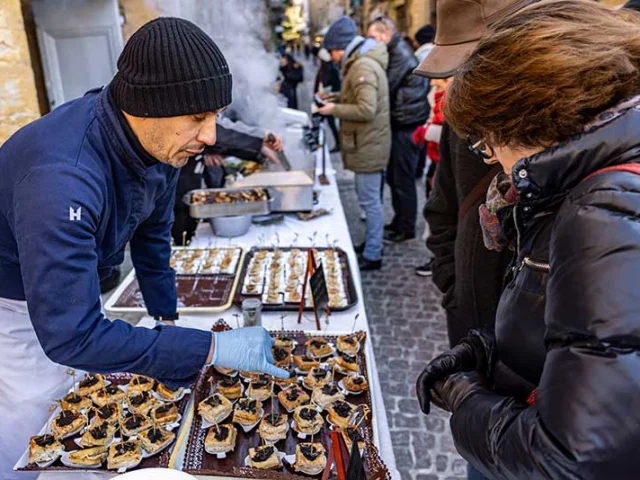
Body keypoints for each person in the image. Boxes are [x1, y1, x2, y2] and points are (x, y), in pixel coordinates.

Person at [0, 18, 287, 480]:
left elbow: (153, 235)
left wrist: (166, 318)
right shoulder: (61, 180)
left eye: (216, 116)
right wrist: (205, 348)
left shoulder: (158, 144)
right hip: (12, 298)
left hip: (72, 283)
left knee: (82, 383)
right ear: (152, 107)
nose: (212, 136)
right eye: (199, 117)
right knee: (39, 412)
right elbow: (71, 336)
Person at [418, 1, 640, 478]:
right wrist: (486, 349)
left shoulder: (604, 207)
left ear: (529, 119)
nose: (492, 157)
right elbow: (578, 337)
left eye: (486, 141)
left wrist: (468, 401)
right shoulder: (585, 186)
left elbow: (570, 457)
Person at [415, 0, 525, 345]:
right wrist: (455, 287)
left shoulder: (577, 121)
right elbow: (442, 208)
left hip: (540, 349)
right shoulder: (460, 112)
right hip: (470, 320)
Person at [317, 16, 391, 271]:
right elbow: (358, 97)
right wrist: (335, 96)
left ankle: (373, 254)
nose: (333, 58)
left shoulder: (362, 67)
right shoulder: (360, 63)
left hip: (369, 144)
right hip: (367, 142)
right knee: (368, 199)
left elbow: (366, 109)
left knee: (370, 202)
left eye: (333, 52)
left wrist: (332, 109)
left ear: (341, 48)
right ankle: (371, 244)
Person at [367, 17, 430, 244]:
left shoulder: (400, 53)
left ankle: (406, 227)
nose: (371, 43)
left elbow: (386, 86)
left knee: (403, 179)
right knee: (395, 177)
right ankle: (399, 220)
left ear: (384, 35)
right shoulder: (394, 50)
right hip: (401, 122)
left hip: (407, 125)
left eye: (373, 38)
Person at [412, 77, 450, 277]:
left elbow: (450, 135)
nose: (432, 80)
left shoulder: (449, 99)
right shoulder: (437, 95)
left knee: (441, 212)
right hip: (437, 161)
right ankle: (437, 258)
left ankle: (440, 261)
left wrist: (428, 131)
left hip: (443, 164)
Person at [314, 48, 342, 153]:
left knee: (329, 123)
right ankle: (318, 143)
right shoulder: (323, 68)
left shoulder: (330, 69)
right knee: (319, 122)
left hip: (328, 99)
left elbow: (334, 84)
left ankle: (337, 143)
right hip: (321, 99)